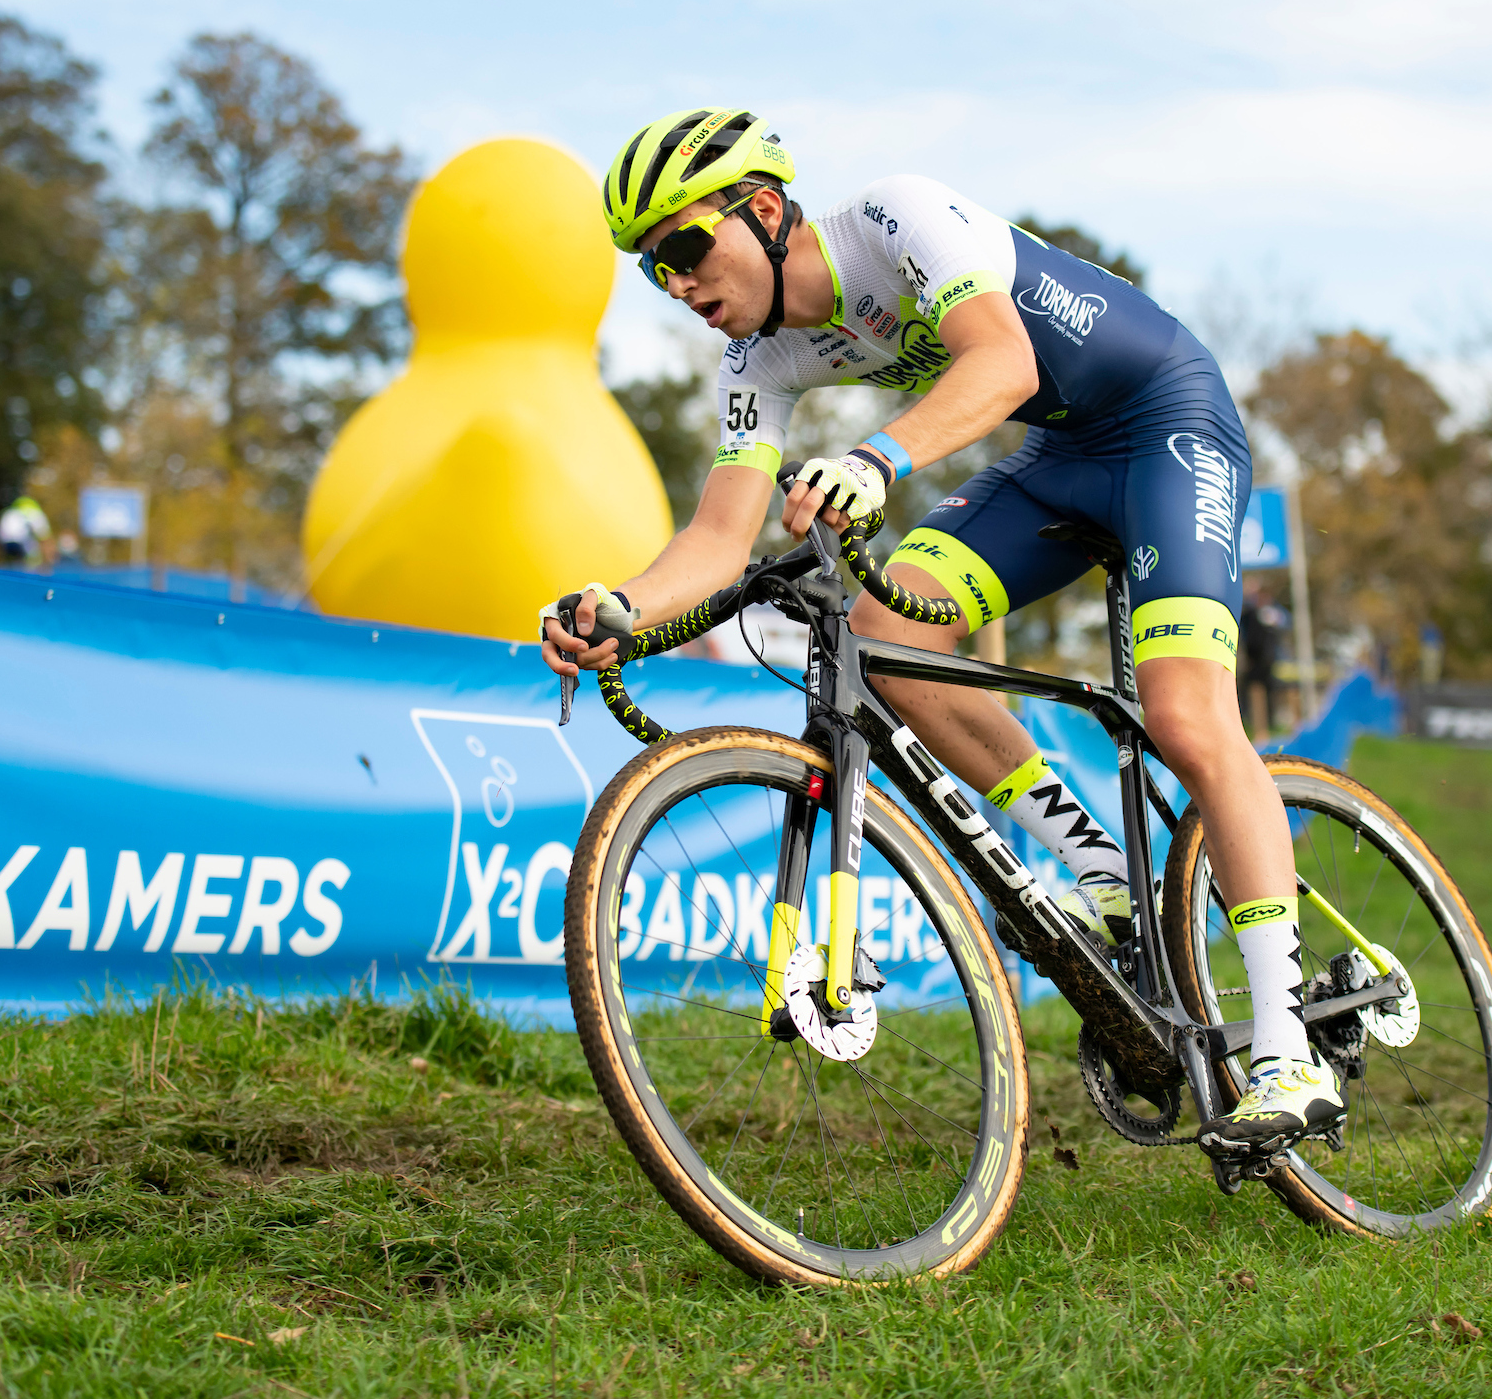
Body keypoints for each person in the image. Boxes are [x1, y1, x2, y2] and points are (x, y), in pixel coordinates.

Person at [542, 107, 1339, 1153]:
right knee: (887, 640)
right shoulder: (756, 363)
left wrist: (874, 461)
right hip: (1061, 457)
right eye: (655, 272)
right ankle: (1101, 866)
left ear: (768, 209)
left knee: (1186, 717)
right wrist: (621, 609)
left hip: (1169, 424)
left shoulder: (895, 219)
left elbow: (1000, 363)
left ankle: (1287, 1050)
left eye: (686, 248)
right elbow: (717, 538)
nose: (680, 286)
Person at [1239, 578, 1287, 735]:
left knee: (1268, 691)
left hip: (1268, 660)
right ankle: (1251, 722)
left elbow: (1286, 622)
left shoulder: (1273, 612)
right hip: (1251, 660)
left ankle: (1268, 723)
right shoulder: (1248, 612)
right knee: (1250, 693)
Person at [0, 495, 54, 569]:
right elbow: (44, 538)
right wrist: (49, 559)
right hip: (22, 544)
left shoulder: (8, 512)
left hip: (5, 545)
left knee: (13, 565)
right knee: (34, 551)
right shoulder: (35, 513)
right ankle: (33, 573)